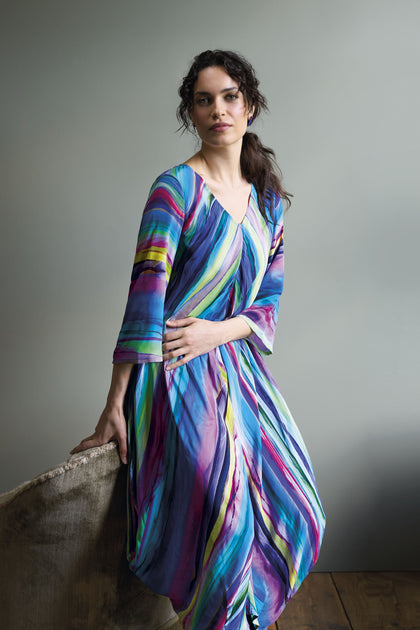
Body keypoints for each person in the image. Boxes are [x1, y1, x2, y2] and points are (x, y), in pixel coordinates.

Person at [71, 49, 326, 630]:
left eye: (230, 97)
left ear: (250, 106)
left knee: (300, 511)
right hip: (176, 372)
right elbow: (144, 300)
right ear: (191, 111)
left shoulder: (268, 205)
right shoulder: (174, 189)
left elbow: (267, 306)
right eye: (204, 100)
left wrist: (220, 329)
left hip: (238, 369)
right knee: (228, 526)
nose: (218, 110)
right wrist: (114, 405)